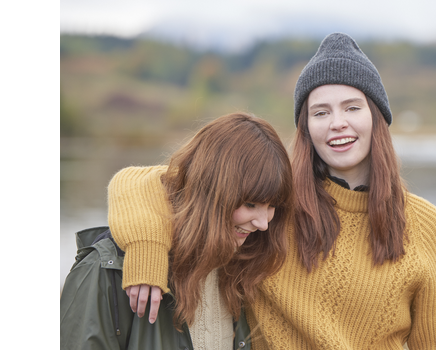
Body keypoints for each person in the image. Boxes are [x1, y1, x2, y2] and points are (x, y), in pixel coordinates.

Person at [107, 33, 436, 349]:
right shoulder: (275, 205)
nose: (337, 122)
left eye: (352, 107)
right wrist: (147, 250)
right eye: (321, 112)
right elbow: (139, 182)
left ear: (377, 117)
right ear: (306, 127)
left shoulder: (421, 222)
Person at [60, 112, 294, 349]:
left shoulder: (243, 267)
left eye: (272, 205)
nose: (263, 223)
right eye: (250, 204)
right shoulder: (107, 271)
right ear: (209, 191)